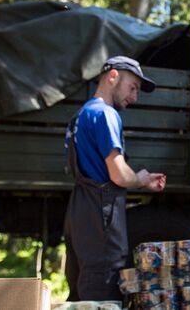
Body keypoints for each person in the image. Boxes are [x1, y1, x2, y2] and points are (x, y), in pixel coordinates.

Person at [64, 56, 167, 301]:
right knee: (103, 289)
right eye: (133, 88)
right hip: (101, 214)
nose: (134, 97)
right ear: (113, 77)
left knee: (81, 287)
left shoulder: (81, 115)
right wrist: (141, 178)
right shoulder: (105, 114)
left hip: (81, 209)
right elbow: (119, 174)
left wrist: (142, 180)